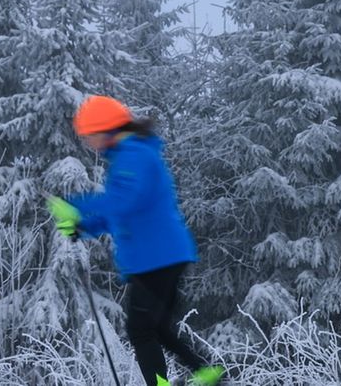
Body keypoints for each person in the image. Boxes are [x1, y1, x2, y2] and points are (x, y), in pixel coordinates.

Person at [47, 95, 226, 386]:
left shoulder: (133, 154)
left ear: (105, 129)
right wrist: (83, 226)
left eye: (89, 135)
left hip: (155, 256)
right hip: (162, 254)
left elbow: (124, 201)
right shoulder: (129, 154)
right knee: (158, 329)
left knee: (141, 330)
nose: (88, 142)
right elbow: (121, 212)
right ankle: (205, 372)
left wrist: (77, 205)